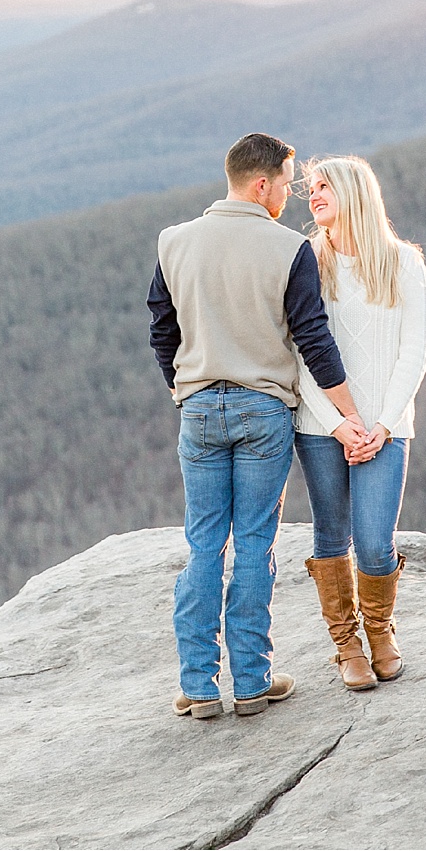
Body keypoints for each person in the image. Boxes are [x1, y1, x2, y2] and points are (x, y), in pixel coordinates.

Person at [149, 133, 369, 719]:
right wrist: (352, 416)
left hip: (197, 408)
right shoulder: (287, 249)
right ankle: (251, 681)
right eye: (287, 185)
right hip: (263, 412)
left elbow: (162, 332)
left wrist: (185, 388)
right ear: (262, 184)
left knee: (202, 545)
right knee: (253, 543)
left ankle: (198, 686)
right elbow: (313, 340)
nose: (290, 199)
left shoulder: (174, 242)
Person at [292, 155, 426, 692]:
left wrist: (380, 424)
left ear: (355, 192)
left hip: (387, 426)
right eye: (310, 187)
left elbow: (414, 352)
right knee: (332, 534)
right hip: (321, 426)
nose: (314, 195)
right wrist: (337, 424)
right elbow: (298, 352)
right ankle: (346, 643)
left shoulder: (403, 263)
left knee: (375, 543)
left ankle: (380, 629)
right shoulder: (309, 261)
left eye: (324, 186)